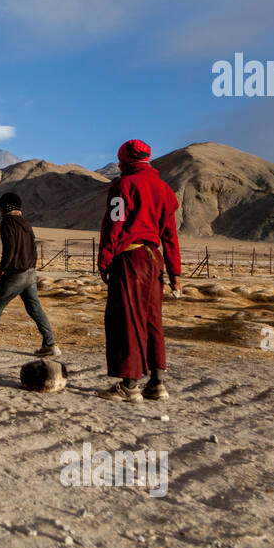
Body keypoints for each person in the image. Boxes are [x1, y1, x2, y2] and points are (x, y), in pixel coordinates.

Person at [96, 140, 181, 402]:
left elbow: (115, 225)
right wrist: (174, 273)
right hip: (154, 258)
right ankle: (157, 383)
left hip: (130, 258)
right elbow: (170, 235)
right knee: (152, 318)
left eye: (120, 160)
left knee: (128, 318)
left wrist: (105, 260)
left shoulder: (123, 187)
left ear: (128, 161)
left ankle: (130, 385)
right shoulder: (165, 190)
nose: (118, 164)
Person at [0, 192, 60, 356]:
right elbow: (34, 248)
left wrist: (3, 267)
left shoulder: (7, 223)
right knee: (35, 308)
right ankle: (50, 343)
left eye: (0, 207)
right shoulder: (26, 224)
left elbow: (10, 247)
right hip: (30, 272)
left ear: (6, 207)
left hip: (15, 272)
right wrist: (32, 267)